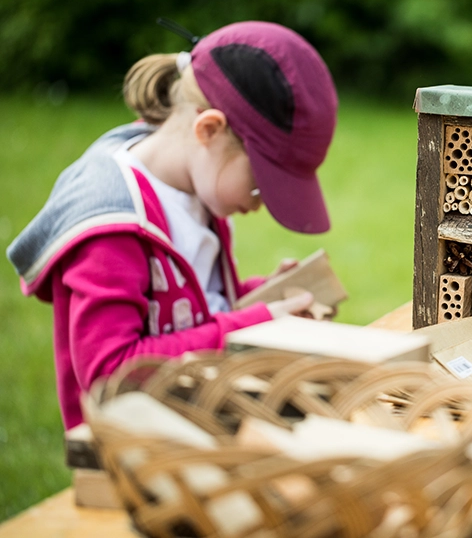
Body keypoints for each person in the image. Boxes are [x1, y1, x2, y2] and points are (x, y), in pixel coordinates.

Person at [6, 21, 339, 429]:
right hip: (132, 455)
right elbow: (111, 373)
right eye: (260, 186)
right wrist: (254, 324)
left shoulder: (200, 193)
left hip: (200, 428)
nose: (265, 205)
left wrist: (265, 298)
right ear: (208, 130)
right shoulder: (113, 224)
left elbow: (194, 313)